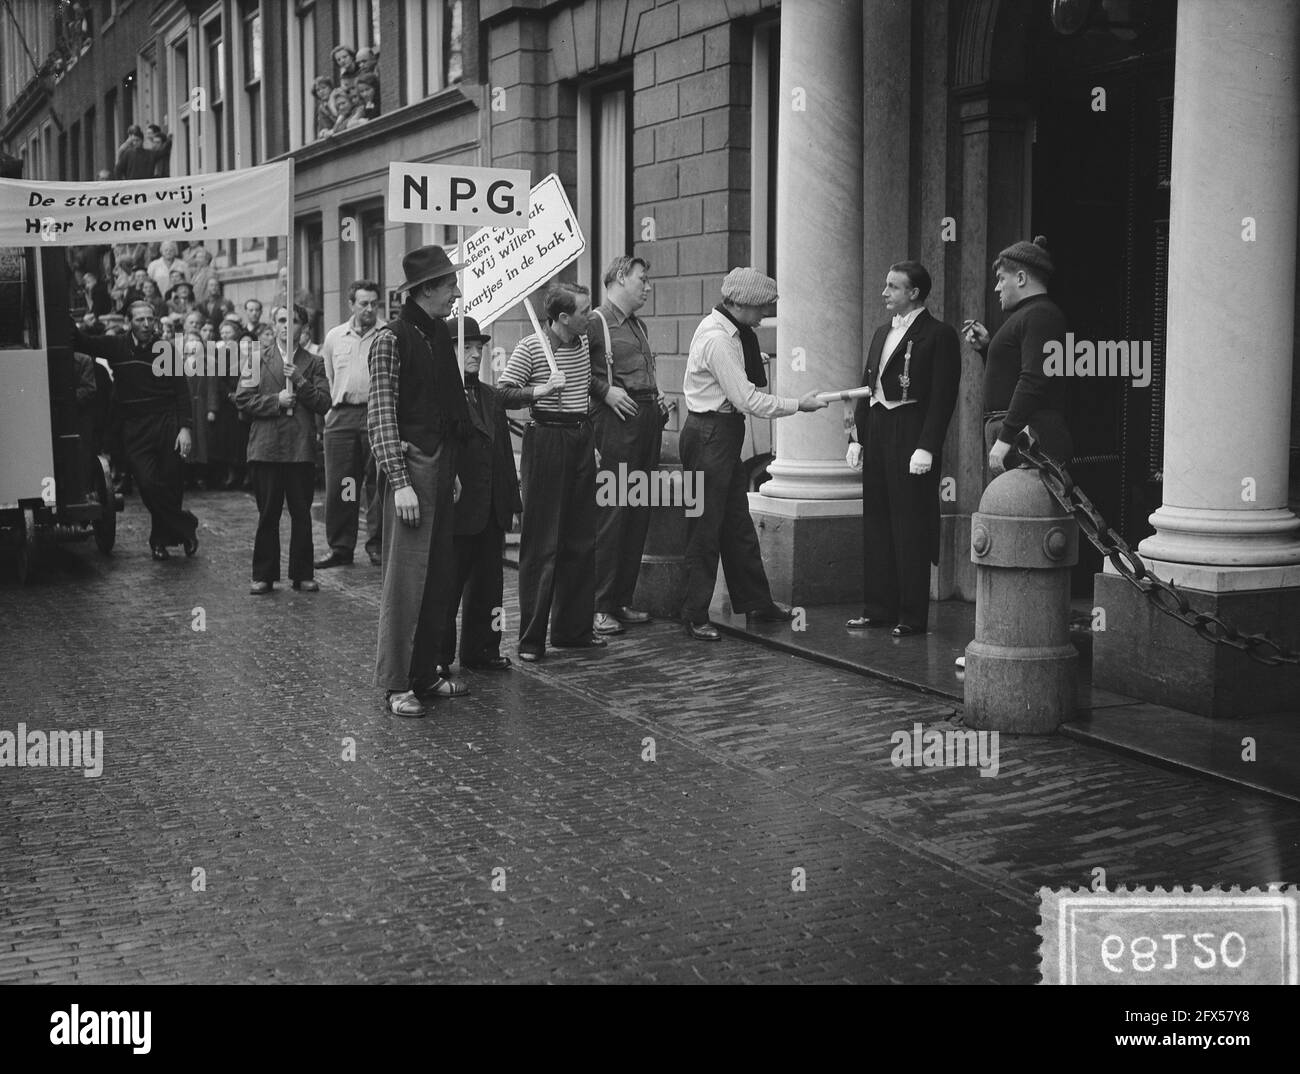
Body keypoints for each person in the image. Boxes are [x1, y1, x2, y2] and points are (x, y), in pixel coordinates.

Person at [679, 268, 828, 640]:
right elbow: (747, 399)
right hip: (711, 433)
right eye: (762, 308)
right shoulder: (718, 340)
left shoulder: (729, 333)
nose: (765, 315)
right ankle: (695, 614)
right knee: (705, 528)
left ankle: (756, 602)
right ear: (741, 304)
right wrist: (799, 405)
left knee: (736, 523)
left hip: (718, 433)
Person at [367, 245, 474, 716]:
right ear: (427, 289)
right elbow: (382, 417)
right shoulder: (391, 339)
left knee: (438, 578)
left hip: (439, 465)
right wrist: (400, 480)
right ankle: (395, 685)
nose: (455, 292)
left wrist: (449, 471)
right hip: (411, 473)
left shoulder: (436, 333)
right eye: (449, 284)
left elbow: (446, 406)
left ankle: (426, 673)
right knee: (405, 581)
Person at [846, 261, 960, 637]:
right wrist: (856, 438)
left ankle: (911, 615)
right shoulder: (881, 332)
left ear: (914, 293)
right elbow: (867, 388)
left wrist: (927, 446)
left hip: (911, 431)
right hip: (878, 428)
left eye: (893, 287)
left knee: (909, 523)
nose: (884, 293)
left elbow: (942, 398)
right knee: (876, 520)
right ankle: (878, 608)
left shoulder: (938, 334)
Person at [496, 280, 603, 662]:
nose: (590, 315)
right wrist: (540, 390)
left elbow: (583, 395)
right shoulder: (531, 347)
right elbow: (503, 393)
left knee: (580, 539)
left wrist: (592, 447)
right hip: (546, 440)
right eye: (584, 310)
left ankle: (573, 631)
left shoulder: (583, 343)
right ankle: (531, 640)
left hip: (579, 438)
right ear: (562, 317)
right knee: (543, 543)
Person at [71, 301, 199, 559]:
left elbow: (182, 393)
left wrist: (185, 428)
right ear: (129, 322)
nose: (146, 324)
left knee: (171, 484)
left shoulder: (166, 349)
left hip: (166, 423)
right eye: (140, 320)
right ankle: (185, 525)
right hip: (135, 427)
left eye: (150, 319)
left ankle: (159, 542)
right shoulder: (116, 346)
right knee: (148, 484)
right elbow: (81, 341)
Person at [587, 254, 666, 636]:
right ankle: (600, 605)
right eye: (642, 279)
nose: (648, 287)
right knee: (614, 512)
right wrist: (605, 391)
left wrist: (659, 395)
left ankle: (622, 599)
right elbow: (570, 371)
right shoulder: (594, 322)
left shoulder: (639, 325)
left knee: (638, 512)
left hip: (646, 422)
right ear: (620, 277)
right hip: (617, 426)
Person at [439, 315, 520, 676]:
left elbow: (502, 452)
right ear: (449, 350)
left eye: (479, 348)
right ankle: (438, 657)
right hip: (458, 510)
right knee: (447, 587)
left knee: (490, 587)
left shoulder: (489, 396)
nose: (475, 355)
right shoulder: (441, 396)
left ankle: (484, 649)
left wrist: (512, 503)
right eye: (466, 348)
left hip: (490, 510)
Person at [234, 306, 330, 594]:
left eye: (295, 321)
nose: (288, 326)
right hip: (266, 448)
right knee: (268, 513)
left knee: (300, 513)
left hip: (299, 449)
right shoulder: (256, 360)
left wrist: (299, 381)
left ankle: (302, 573)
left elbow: (324, 403)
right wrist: (276, 400)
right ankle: (264, 574)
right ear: (274, 326)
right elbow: (242, 400)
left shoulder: (314, 362)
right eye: (282, 321)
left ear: (304, 327)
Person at [962, 235, 1071, 477]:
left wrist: (1005, 437)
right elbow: (1016, 372)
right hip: (1019, 431)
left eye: (1001, 279)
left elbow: (1033, 378)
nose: (997, 288)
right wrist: (986, 349)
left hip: (1027, 435)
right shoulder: (1030, 315)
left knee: (1020, 513)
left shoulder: (1041, 314)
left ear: (1021, 278)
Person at [316, 279, 385, 569]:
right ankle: (341, 547)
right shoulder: (334, 337)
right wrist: (331, 412)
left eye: (373, 303)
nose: (369, 309)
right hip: (342, 416)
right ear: (351, 304)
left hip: (376, 413)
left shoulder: (387, 334)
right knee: (343, 483)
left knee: (377, 483)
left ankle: (378, 545)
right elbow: (327, 376)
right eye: (363, 303)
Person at [207, 316, 250, 489]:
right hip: (228, 402)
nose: (225, 336)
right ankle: (231, 474)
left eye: (228, 332)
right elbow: (218, 379)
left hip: (245, 399)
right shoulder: (221, 354)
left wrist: (241, 394)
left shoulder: (245, 352)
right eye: (222, 332)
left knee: (243, 439)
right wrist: (229, 394)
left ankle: (246, 474)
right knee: (229, 441)